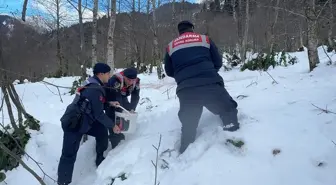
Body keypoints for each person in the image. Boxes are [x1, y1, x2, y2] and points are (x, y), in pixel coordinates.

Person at [164, 20, 240, 154]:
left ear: (179, 31)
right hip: (210, 85)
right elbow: (217, 62)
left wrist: (183, 78)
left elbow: (169, 71)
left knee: (189, 124)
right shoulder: (205, 39)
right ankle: (234, 140)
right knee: (227, 110)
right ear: (192, 29)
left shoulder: (171, 46)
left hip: (187, 90)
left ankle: (184, 153)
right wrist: (209, 73)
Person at [57, 63, 121, 185]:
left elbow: (94, 103)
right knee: (68, 155)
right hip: (74, 124)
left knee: (101, 131)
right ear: (101, 74)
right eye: (108, 73)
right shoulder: (95, 88)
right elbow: (98, 114)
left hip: (85, 121)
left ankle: (99, 158)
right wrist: (113, 125)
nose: (109, 76)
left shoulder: (93, 84)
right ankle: (63, 182)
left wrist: (109, 103)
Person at [105, 67, 140, 148]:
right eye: (128, 80)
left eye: (133, 80)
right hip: (111, 98)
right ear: (124, 77)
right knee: (113, 117)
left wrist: (132, 109)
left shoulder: (136, 81)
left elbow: (135, 96)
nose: (131, 82)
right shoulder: (115, 80)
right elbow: (117, 98)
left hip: (123, 95)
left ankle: (121, 132)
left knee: (126, 113)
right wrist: (122, 111)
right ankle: (114, 140)